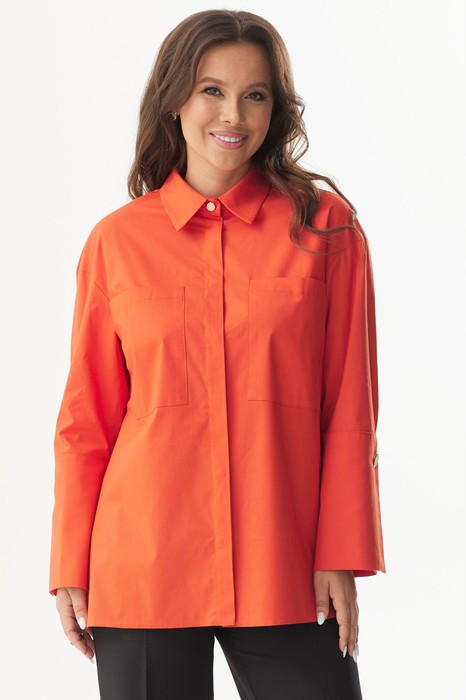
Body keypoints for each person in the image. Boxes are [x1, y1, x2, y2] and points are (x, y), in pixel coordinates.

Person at [48, 8, 386, 700]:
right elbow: (87, 421)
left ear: (275, 108)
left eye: (255, 94)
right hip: (142, 563)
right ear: (175, 99)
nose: (234, 114)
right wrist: (69, 564)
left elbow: (351, 408)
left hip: (284, 559)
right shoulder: (116, 243)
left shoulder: (325, 229)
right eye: (212, 90)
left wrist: (342, 552)